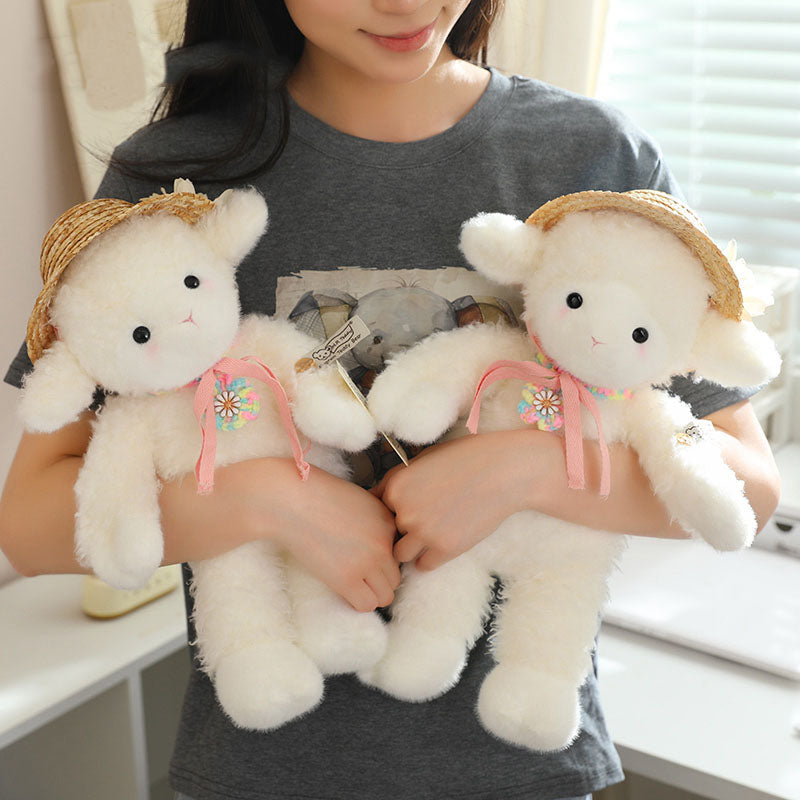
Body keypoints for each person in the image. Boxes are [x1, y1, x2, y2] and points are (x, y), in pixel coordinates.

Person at [0, 2, 780, 799]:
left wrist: (527, 472)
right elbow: (30, 520)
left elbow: (745, 483)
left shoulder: (591, 154)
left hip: (525, 757)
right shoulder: (177, 179)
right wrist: (271, 500)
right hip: (263, 761)